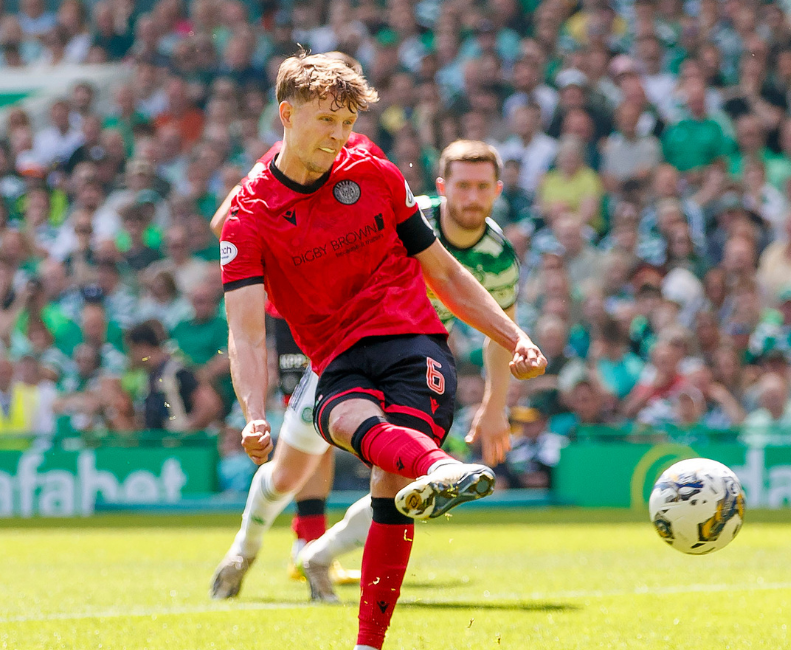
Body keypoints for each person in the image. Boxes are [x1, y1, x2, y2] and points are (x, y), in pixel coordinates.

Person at [213, 54, 544, 650]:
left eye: (346, 122)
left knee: (386, 472)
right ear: (286, 115)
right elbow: (244, 331)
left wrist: (512, 335)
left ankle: (367, 640)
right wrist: (252, 412)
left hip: (412, 340)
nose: (338, 137)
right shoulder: (249, 215)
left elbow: (442, 270)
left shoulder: (373, 171)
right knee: (335, 434)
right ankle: (434, 471)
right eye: (325, 122)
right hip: (332, 356)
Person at [292, 139, 524, 591]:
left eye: (482, 187)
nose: (472, 198)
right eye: (463, 186)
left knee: (401, 471)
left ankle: (317, 555)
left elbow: (500, 333)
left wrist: (495, 405)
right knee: (288, 466)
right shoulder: (407, 214)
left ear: (497, 190)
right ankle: (246, 546)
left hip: (414, 361)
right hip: (347, 343)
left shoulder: (499, 259)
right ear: (442, 186)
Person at [209, 52, 392, 595]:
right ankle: (297, 544)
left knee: (345, 439)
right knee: (309, 443)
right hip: (298, 324)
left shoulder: (363, 158)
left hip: (365, 323)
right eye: (328, 112)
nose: (338, 126)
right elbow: (226, 224)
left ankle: (311, 546)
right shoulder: (281, 161)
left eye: (346, 113)